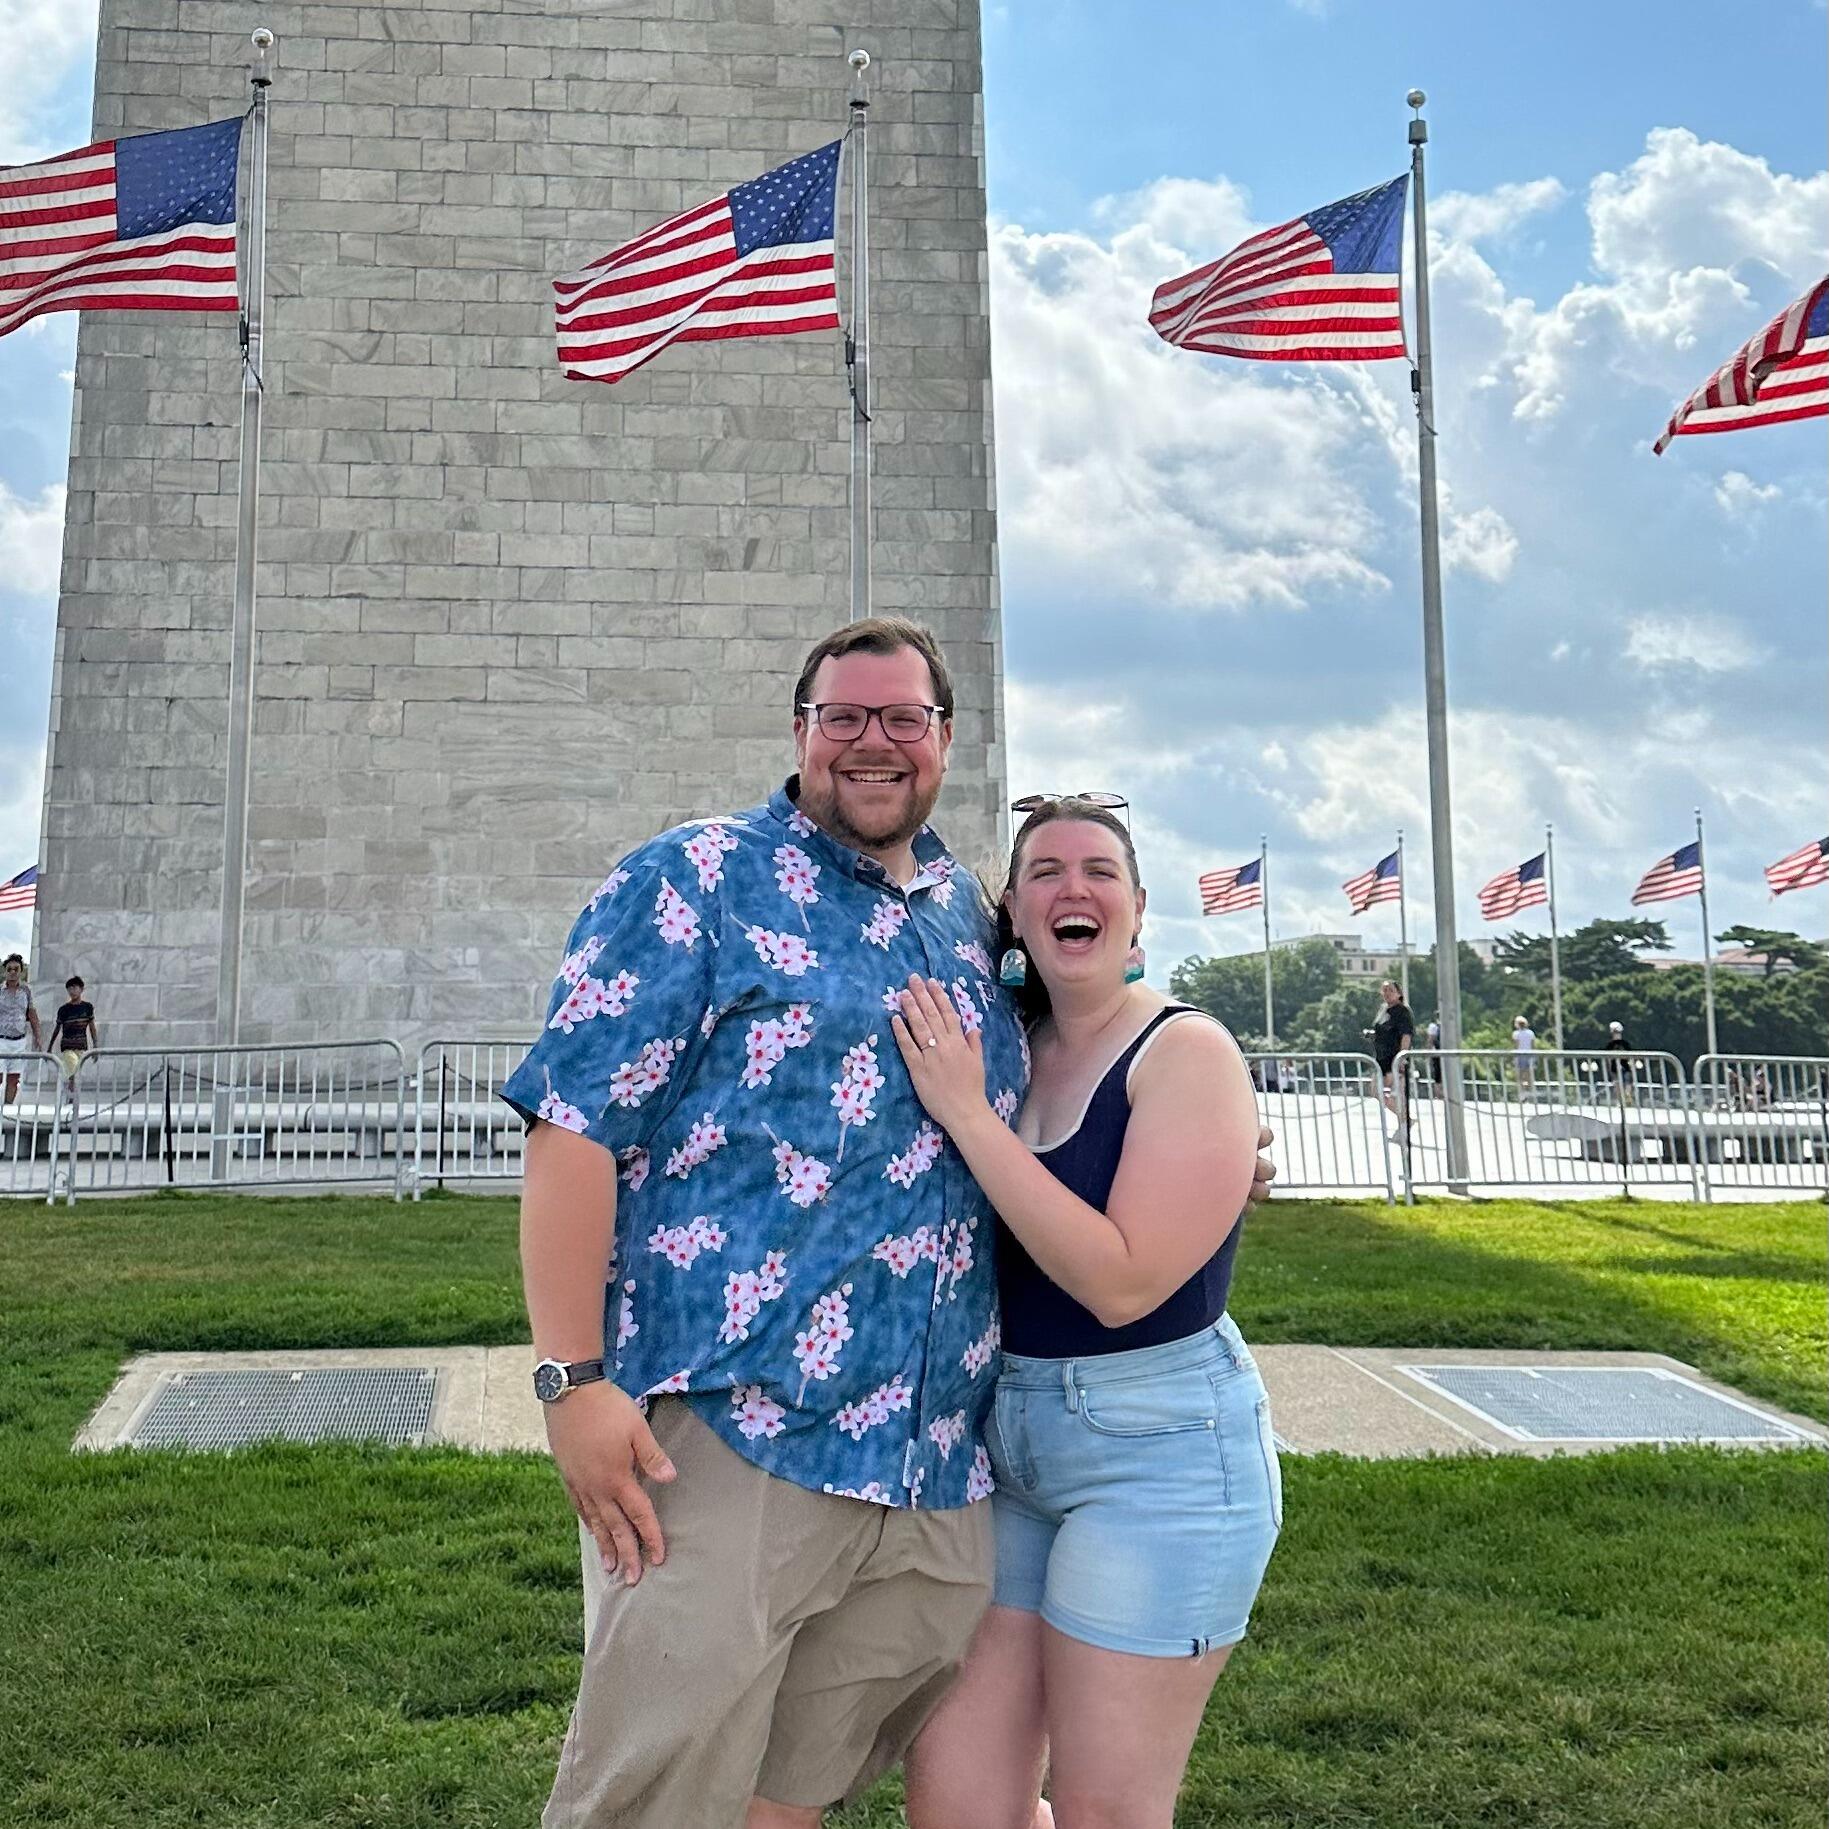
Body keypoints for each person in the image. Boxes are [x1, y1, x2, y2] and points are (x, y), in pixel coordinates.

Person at [497, 614, 1284, 1829]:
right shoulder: (694, 876)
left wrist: (1217, 1142)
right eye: (844, 717)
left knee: (787, 1791)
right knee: (649, 1793)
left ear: (944, 739)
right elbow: (570, 1123)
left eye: (902, 718)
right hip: (732, 1433)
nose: (874, 742)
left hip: (932, 1468)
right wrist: (570, 1378)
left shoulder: (966, 923)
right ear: (800, 730)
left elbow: (1083, 1050)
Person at [894, 797, 1278, 1829]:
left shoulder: (1182, 1051)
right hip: (1003, 1444)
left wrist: (969, 1117)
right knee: (958, 1802)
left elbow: (1119, 1281)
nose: (1074, 888)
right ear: (1012, 910)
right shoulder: (1007, 1044)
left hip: (1158, 1449)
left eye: (1100, 870)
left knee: (1106, 1806)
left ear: (1137, 907)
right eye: (1047, 870)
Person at [1366, 979, 1414, 1120]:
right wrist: (1372, 1034)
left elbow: (1406, 1035)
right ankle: (1404, 1116)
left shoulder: (1403, 1012)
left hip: (1394, 1058)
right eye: (1384, 990)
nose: (1386, 993)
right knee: (1376, 1091)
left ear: (1399, 994)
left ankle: (1404, 1118)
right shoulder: (1383, 1010)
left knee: (1388, 1091)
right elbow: (1382, 1030)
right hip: (1381, 1058)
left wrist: (1401, 1058)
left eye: (1390, 990)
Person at [0, 954, 43, 1107]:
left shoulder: (26, 991)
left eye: (16, 969)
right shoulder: (0, 990)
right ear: (5, 971)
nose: (12, 972)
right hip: (1, 1040)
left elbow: (32, 1014)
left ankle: (7, 1109)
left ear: (21, 971)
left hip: (19, 1041)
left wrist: (38, 1036)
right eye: (9, 969)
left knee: (13, 1079)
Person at [51, 975, 97, 1096]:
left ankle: (71, 1094)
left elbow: (92, 1027)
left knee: (76, 1074)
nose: (72, 991)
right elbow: (57, 1028)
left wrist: (96, 1047)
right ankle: (72, 1095)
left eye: (75, 988)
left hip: (81, 1045)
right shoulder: (64, 1009)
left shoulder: (87, 1007)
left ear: (81, 989)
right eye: (70, 989)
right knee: (73, 1069)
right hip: (68, 1045)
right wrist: (50, 1046)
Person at [1602, 1019, 1633, 1104]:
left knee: (1627, 1081)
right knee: (1617, 1084)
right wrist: (1609, 1068)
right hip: (1614, 1068)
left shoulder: (1625, 1044)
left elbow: (1630, 1056)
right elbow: (1608, 1058)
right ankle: (1620, 1100)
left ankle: (1628, 1097)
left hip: (1625, 1067)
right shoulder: (1610, 1045)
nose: (1616, 1034)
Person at [1511, 1014, 1536, 1090]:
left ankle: (1522, 1091)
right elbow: (1533, 1045)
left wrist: (1513, 1057)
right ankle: (1530, 1090)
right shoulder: (1531, 1033)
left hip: (1520, 1055)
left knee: (1520, 1074)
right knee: (1529, 1074)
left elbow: (1516, 1046)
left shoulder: (1516, 1034)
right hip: (1530, 1055)